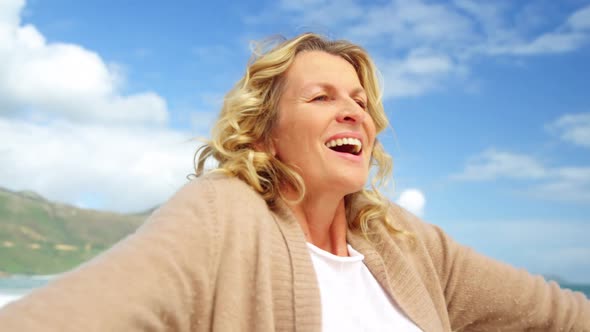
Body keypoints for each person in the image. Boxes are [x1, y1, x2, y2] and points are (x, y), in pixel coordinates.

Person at [0, 32, 588, 331]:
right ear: (264, 135)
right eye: (321, 97)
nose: (355, 112)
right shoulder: (222, 217)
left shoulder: (407, 242)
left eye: (361, 102)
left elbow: (558, 314)